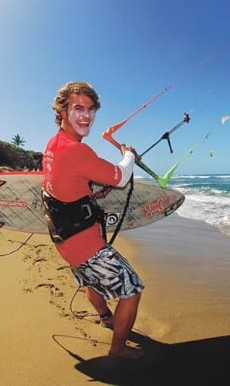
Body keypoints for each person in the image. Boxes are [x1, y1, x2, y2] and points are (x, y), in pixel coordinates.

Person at [41, 81, 144, 359]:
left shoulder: (53, 144)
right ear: (62, 111)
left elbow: (66, 183)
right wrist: (128, 155)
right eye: (78, 108)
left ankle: (106, 317)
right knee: (132, 289)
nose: (86, 115)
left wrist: (86, 189)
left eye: (90, 109)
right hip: (85, 244)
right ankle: (118, 350)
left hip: (63, 239)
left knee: (91, 280)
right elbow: (121, 177)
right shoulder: (77, 151)